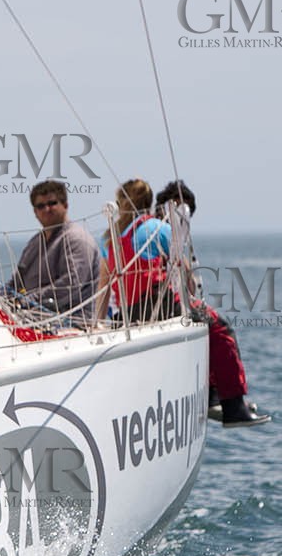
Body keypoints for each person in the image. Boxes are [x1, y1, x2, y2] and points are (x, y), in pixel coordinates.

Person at [154, 181, 270, 428]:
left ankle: (214, 396)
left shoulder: (144, 229)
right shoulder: (167, 228)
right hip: (163, 303)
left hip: (152, 301)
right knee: (221, 328)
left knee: (209, 325)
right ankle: (232, 405)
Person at [5, 180, 99, 319]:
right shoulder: (35, 242)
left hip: (70, 322)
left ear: (65, 205)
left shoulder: (76, 238)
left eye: (52, 203)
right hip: (31, 320)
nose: (47, 209)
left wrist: (25, 301)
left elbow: (72, 283)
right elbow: (17, 280)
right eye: (41, 206)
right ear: (35, 212)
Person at [94, 178, 176, 325]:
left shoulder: (109, 238)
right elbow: (184, 267)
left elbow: (103, 286)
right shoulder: (159, 228)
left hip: (127, 314)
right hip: (161, 309)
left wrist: (97, 322)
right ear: (148, 202)